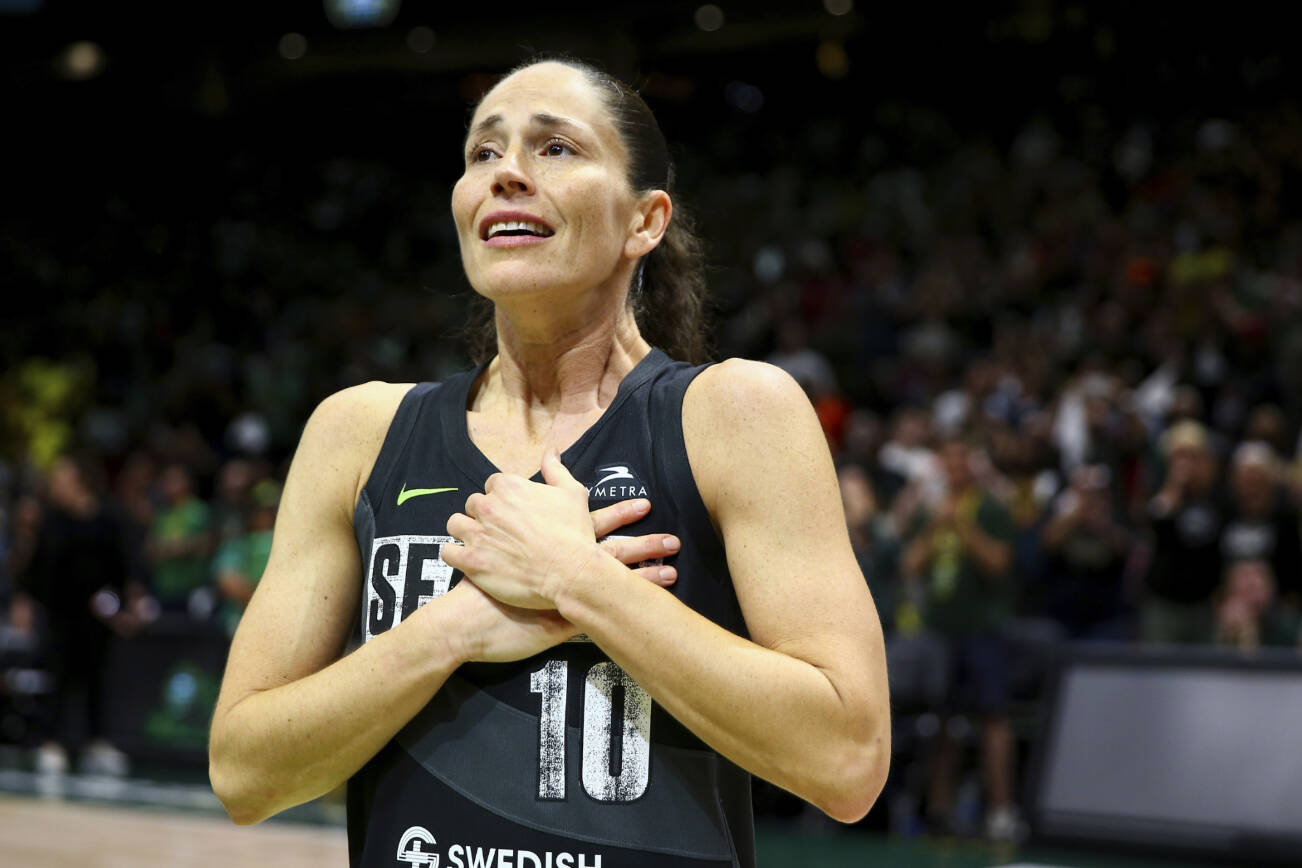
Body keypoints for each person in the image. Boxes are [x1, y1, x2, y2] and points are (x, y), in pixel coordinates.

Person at [208, 58, 890, 867]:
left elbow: (847, 761)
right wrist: (455, 627)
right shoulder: (358, 432)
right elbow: (243, 772)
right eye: (482, 154)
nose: (506, 177)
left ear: (645, 221)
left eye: (555, 148)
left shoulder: (734, 415)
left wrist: (578, 581)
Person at [900, 433, 1019, 840]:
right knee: (942, 723)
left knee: (993, 717)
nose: (953, 468)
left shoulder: (991, 509)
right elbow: (911, 565)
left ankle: (1002, 811)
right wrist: (936, 524)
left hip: (983, 628)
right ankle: (939, 810)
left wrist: (962, 526)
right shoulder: (931, 510)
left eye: (960, 460)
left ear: (973, 464)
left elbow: (999, 563)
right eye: (946, 460)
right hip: (940, 630)